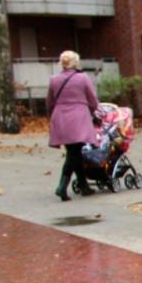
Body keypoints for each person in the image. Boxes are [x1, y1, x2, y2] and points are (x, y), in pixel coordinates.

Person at [47, 50, 98, 200]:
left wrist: (53, 115)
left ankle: (83, 185)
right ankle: (62, 186)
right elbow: (92, 99)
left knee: (73, 152)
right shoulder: (82, 78)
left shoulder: (54, 79)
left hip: (60, 117)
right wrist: (96, 111)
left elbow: (49, 101)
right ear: (75, 62)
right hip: (78, 118)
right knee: (74, 153)